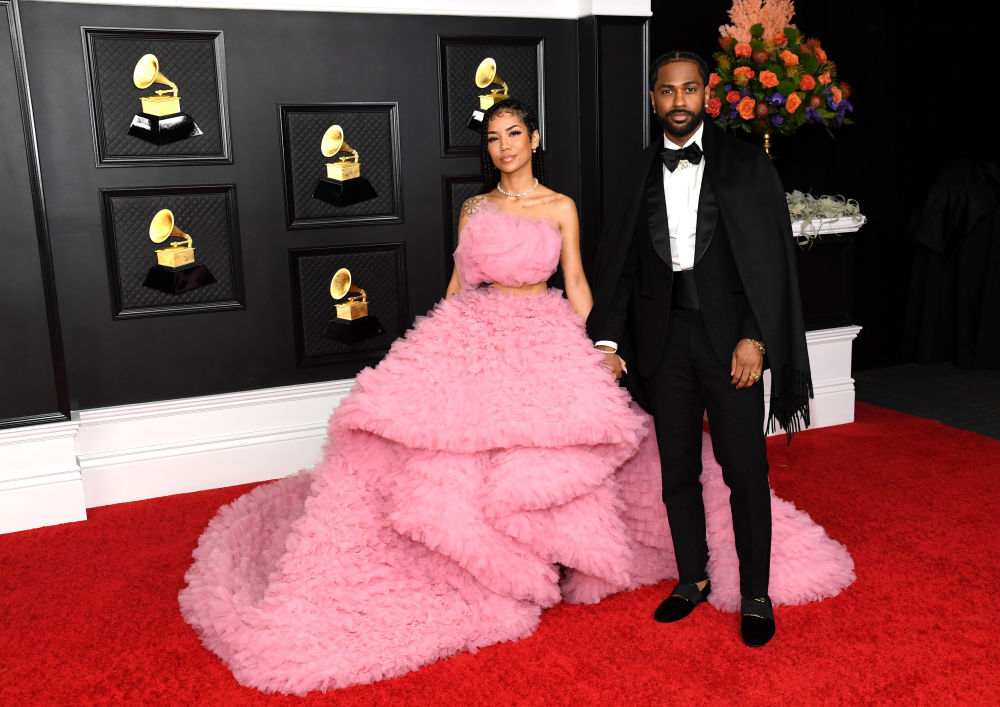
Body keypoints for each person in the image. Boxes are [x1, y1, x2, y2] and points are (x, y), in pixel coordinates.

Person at [179, 98, 851, 695]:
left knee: (550, 454)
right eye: (494, 138)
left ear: (534, 140)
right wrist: (432, 342)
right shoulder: (475, 208)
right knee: (459, 456)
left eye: (514, 135)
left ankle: (577, 560)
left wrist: (603, 348)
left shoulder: (561, 206)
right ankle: (483, 571)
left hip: (544, 330)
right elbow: (457, 283)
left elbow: (579, 283)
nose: (503, 147)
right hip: (476, 331)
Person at [587, 50, 814, 647]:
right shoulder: (635, 171)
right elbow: (621, 265)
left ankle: (756, 592)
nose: (679, 101)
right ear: (653, 99)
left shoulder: (745, 165)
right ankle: (693, 577)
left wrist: (755, 338)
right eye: (668, 91)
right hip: (663, 343)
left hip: (731, 343)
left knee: (746, 469)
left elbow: (769, 262)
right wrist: (608, 340)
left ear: (706, 95)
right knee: (678, 470)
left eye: (689, 90)